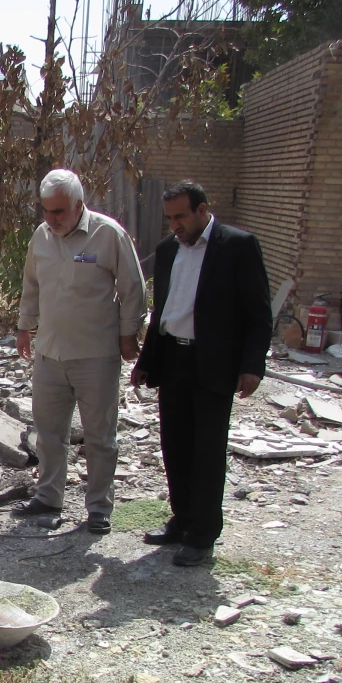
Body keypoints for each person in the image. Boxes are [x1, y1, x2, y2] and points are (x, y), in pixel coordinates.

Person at [131, 180, 271, 566]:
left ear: (202, 210)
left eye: (180, 216)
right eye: (169, 218)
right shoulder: (168, 250)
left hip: (213, 363)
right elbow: (163, 311)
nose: (174, 225)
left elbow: (259, 313)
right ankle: (183, 519)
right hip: (173, 359)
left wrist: (252, 366)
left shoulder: (237, 246)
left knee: (206, 451)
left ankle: (203, 534)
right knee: (175, 446)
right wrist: (146, 361)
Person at [13, 169, 147, 534]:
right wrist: (24, 327)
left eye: (59, 211)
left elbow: (133, 287)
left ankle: (99, 507)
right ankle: (48, 496)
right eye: (46, 210)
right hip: (50, 353)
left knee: (100, 437)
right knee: (49, 434)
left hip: (95, 355)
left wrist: (128, 334)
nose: (51, 218)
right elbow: (31, 285)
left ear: (78, 205)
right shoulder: (41, 237)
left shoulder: (108, 234)